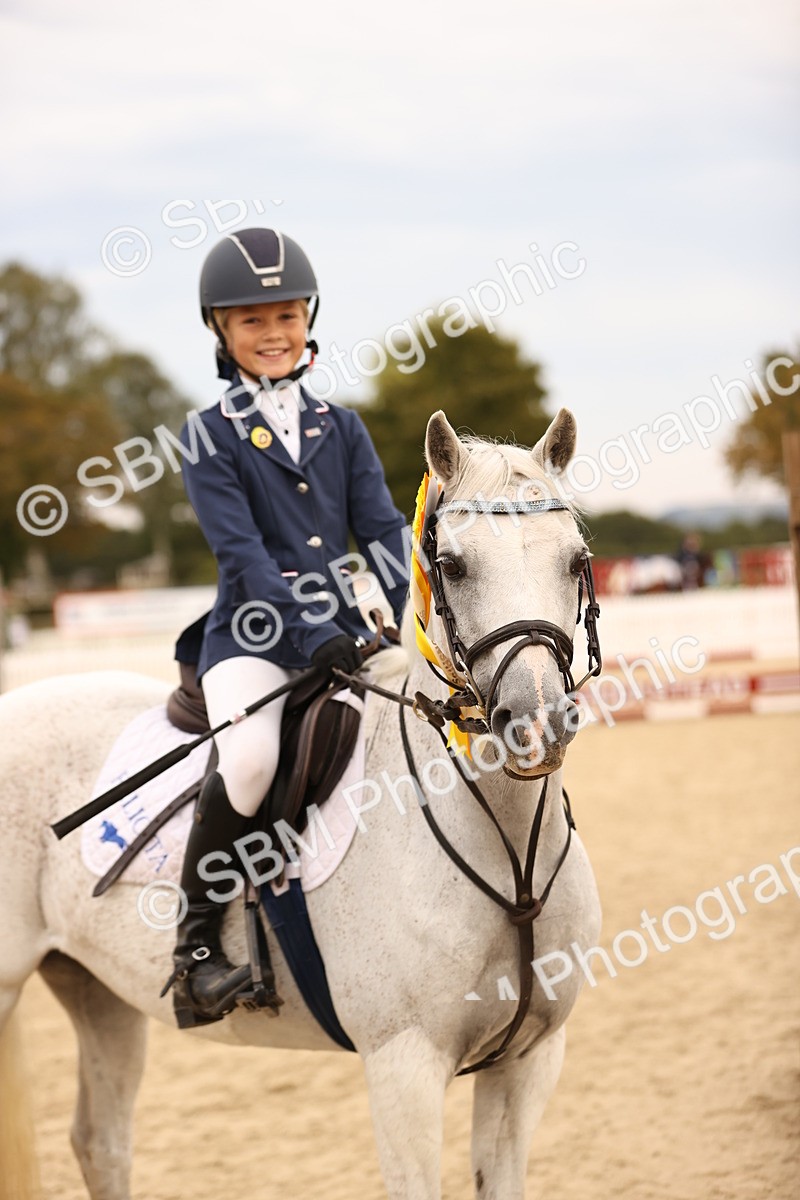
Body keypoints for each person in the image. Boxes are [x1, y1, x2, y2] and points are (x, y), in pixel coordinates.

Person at [164, 228, 409, 1027]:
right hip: (252, 640)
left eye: (285, 315)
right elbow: (245, 559)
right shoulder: (208, 434)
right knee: (251, 754)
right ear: (220, 333)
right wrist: (314, 636)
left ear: (308, 317)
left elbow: (381, 533)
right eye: (250, 322)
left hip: (346, 635)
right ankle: (197, 951)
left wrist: (409, 621)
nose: (273, 335)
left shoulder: (344, 427)